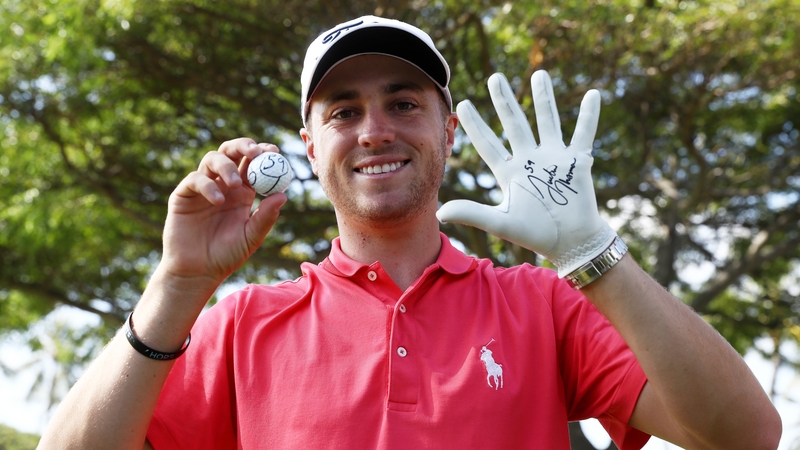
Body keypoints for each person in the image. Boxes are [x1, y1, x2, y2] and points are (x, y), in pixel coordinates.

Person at [40, 15, 781, 450]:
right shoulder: (241, 322)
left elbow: (746, 434)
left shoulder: (543, 303)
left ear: (448, 131)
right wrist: (176, 286)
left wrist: (596, 256)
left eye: (403, 103)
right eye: (343, 111)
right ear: (308, 143)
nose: (374, 131)